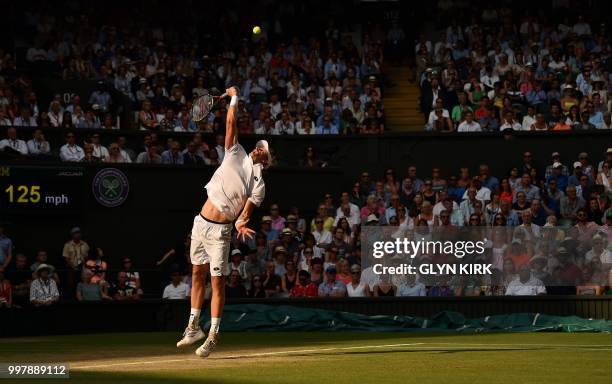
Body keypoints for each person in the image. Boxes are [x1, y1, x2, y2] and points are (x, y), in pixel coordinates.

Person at [177, 87, 271, 358]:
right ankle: (193, 327)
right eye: (258, 145)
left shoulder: (259, 184)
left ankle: (214, 335)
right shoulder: (235, 151)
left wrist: (241, 222)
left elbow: (247, 211)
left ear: (265, 158)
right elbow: (230, 122)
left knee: (216, 283)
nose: (257, 147)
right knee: (196, 274)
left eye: (262, 148)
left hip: (220, 232)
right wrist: (234, 98)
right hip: (201, 222)